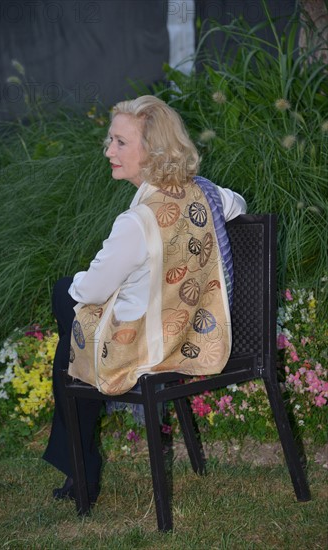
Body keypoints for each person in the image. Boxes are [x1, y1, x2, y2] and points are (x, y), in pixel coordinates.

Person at [43, 95, 247, 504]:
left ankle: (81, 465)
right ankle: (78, 460)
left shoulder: (136, 222)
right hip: (194, 330)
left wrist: (91, 285)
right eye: (110, 141)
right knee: (71, 330)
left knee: (66, 298)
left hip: (148, 347)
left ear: (152, 150)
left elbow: (90, 291)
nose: (109, 151)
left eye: (120, 142)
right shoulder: (204, 195)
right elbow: (237, 204)